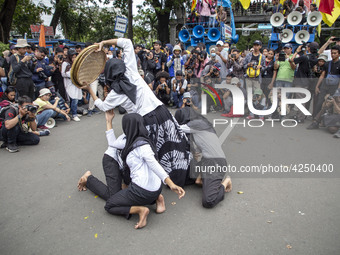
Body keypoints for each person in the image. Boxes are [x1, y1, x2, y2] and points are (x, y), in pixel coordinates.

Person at [86, 38, 191, 187]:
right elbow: (127, 43)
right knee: (171, 146)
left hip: (146, 122)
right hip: (163, 113)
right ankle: (177, 177)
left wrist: (90, 89)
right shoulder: (131, 71)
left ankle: (147, 184)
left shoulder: (115, 93)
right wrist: (105, 42)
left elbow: (102, 106)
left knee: (144, 153)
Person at [77, 112, 185, 229]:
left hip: (140, 187)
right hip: (114, 161)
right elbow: (113, 145)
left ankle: (89, 179)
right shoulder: (143, 138)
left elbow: (154, 164)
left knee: (111, 201)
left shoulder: (136, 143)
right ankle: (156, 198)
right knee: (123, 190)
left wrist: (171, 183)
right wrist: (109, 121)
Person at [175, 107, 232, 208]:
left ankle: (225, 182)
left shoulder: (196, 123)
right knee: (197, 181)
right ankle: (208, 180)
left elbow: (177, 128)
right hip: (206, 160)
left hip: (215, 162)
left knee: (209, 201)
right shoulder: (202, 123)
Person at [61, 49, 82, 121]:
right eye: (73, 57)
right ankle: (74, 114)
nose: (74, 58)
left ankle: (74, 112)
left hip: (76, 82)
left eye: (75, 57)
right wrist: (71, 74)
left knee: (76, 98)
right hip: (69, 83)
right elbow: (63, 74)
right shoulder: (65, 64)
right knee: (74, 98)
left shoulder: (75, 63)